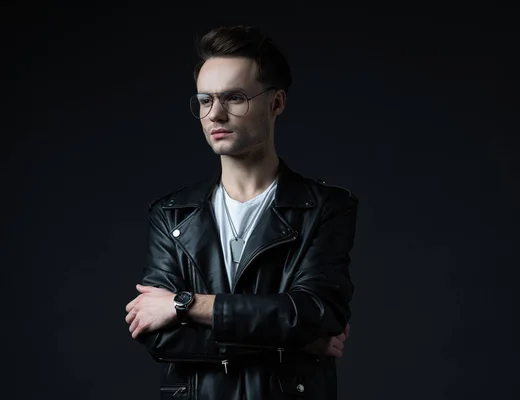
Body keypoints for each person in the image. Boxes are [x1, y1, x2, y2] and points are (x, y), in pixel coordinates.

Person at [124, 25, 359, 400]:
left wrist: (186, 305)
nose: (215, 114)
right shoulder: (172, 214)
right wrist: (294, 341)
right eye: (204, 100)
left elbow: (314, 314)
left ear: (276, 103)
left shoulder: (324, 207)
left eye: (234, 98)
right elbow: (160, 336)